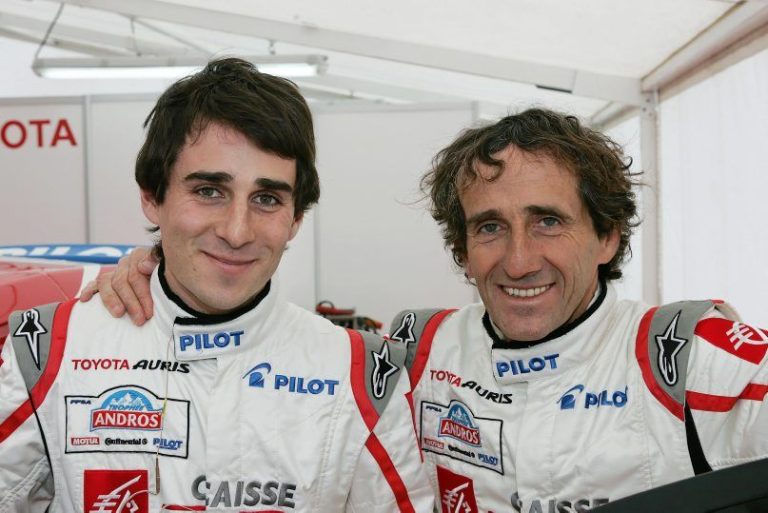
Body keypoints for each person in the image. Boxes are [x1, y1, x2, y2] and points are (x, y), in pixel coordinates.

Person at [83, 109, 768, 512]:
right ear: (462, 248)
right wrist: (156, 272)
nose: (519, 260)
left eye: (549, 221)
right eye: (490, 227)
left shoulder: (689, 352)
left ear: (609, 235)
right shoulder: (417, 346)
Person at [0, 58, 433, 513]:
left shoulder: (362, 375)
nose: (237, 231)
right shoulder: (48, 351)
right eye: (209, 191)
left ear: (295, 219)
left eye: (267, 199)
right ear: (152, 196)